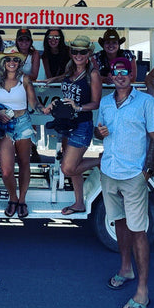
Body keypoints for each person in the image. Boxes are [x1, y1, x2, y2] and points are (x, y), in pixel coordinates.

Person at [96, 57, 154, 308]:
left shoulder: (146, 101)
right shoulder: (105, 102)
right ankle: (126, 269)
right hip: (109, 172)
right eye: (116, 72)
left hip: (134, 174)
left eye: (125, 71)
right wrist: (98, 132)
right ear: (111, 76)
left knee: (139, 231)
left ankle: (143, 290)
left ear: (132, 74)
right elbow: (98, 131)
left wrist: (147, 171)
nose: (120, 76)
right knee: (119, 224)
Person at [43, 35, 101, 215]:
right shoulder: (69, 70)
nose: (78, 55)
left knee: (67, 168)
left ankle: (104, 160)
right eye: (75, 51)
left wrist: (78, 107)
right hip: (67, 124)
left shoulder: (93, 74)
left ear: (89, 53)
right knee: (75, 167)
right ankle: (78, 203)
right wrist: (54, 81)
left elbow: (96, 103)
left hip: (82, 126)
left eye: (82, 52)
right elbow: (68, 85)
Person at [0, 47, 41, 219]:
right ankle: (13, 197)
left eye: (16, 60)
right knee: (6, 169)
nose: (12, 62)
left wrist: (43, 108)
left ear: (19, 63)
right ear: (3, 62)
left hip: (23, 123)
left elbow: (33, 103)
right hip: (3, 125)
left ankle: (22, 200)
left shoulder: (24, 80)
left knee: (25, 163)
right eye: (9, 59)